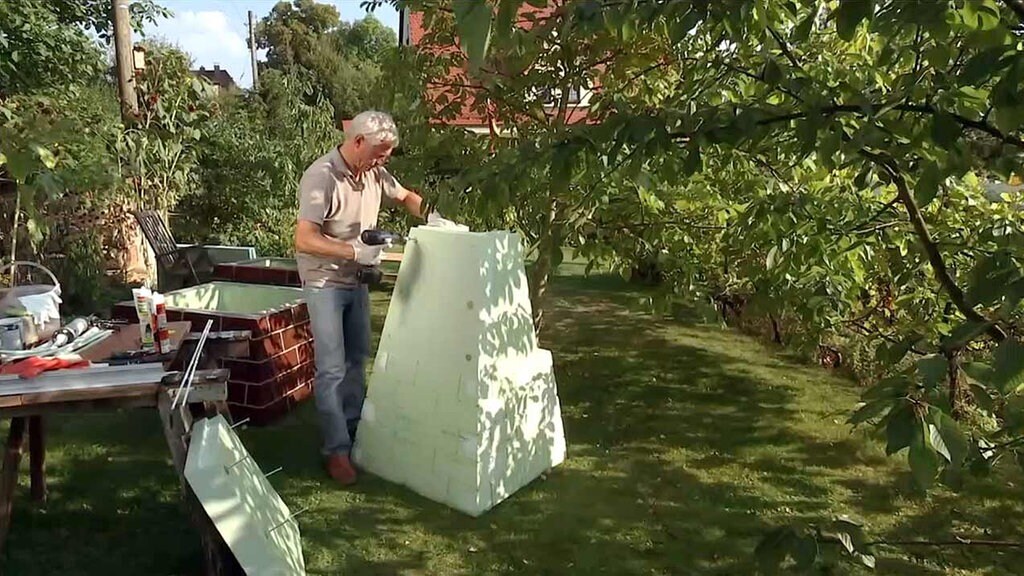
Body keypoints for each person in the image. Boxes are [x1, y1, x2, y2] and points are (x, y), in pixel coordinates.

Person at [294, 110, 440, 485]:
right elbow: (304, 238)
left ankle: (357, 432)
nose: (383, 160)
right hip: (324, 283)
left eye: (388, 154)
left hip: (356, 281)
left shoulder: (373, 171)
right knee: (331, 369)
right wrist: (353, 252)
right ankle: (336, 451)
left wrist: (437, 218)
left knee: (358, 360)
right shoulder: (322, 176)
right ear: (357, 141)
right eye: (378, 152)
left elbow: (406, 195)